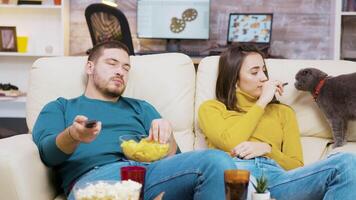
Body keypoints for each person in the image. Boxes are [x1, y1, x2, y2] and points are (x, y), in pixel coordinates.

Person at [32, 40, 236, 200]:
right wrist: (73, 135)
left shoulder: (141, 108)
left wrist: (168, 136)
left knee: (217, 160)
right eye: (112, 63)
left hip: (150, 174)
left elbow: (175, 162)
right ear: (90, 67)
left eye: (126, 68)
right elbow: (48, 154)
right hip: (98, 179)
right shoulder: (61, 107)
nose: (120, 71)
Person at [198, 44, 356, 200]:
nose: (264, 77)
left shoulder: (283, 112)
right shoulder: (211, 109)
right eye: (255, 72)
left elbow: (296, 166)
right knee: (240, 184)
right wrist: (262, 102)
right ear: (234, 80)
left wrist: (267, 150)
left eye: (264, 70)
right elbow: (231, 142)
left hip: (278, 181)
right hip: (237, 173)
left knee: (346, 163)